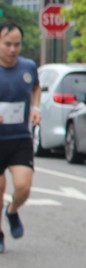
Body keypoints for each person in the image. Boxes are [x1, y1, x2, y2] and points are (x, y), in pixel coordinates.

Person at [0, 21, 40, 253]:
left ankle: (12, 210)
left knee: (23, 187)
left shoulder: (28, 67)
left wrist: (36, 108)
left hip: (20, 137)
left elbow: (36, 88)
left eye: (17, 44)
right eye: (7, 44)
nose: (12, 49)